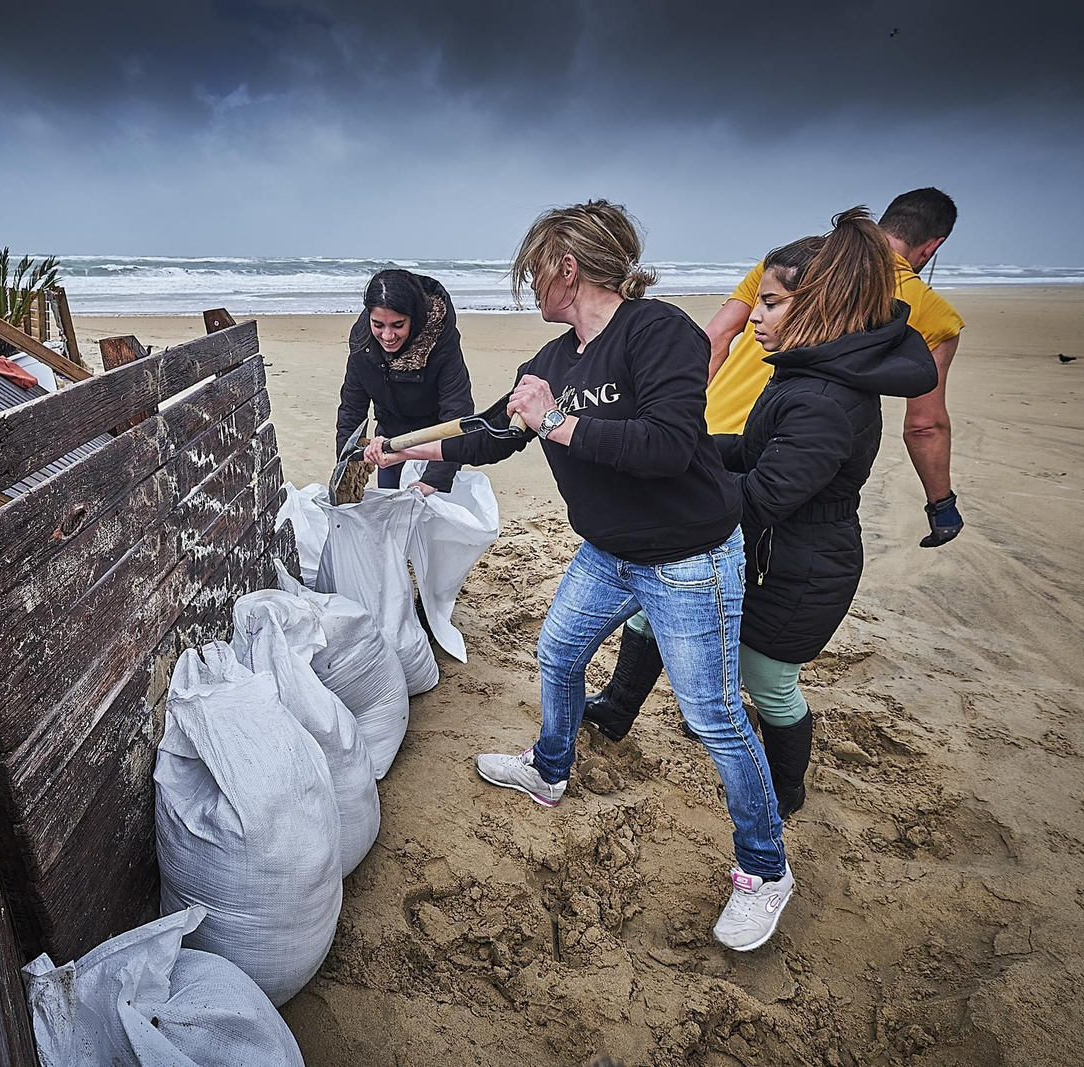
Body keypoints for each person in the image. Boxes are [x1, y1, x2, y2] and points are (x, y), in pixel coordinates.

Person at [366, 200, 793, 952]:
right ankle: (550, 768)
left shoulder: (656, 331)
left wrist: (553, 422)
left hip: (690, 557)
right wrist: (404, 452)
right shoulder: (555, 362)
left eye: (535, 268)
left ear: (566, 265)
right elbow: (492, 434)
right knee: (558, 653)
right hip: (609, 553)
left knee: (714, 716)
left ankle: (766, 866)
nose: (529, 285)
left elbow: (665, 444)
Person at [587, 210, 938, 821]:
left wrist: (678, 493)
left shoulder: (824, 399)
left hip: (803, 571)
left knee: (767, 681)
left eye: (770, 303)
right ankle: (617, 709)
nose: (754, 315)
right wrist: (684, 448)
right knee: (651, 606)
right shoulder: (809, 370)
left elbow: (764, 495)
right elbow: (750, 454)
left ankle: (784, 788)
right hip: (770, 553)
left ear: (818, 306)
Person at [704, 188, 964, 548]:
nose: (759, 315)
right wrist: (941, 502)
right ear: (931, 247)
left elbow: (715, 339)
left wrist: (679, 422)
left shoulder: (790, 266)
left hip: (716, 434)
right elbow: (924, 426)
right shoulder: (932, 312)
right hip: (795, 468)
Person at [336, 269, 474, 495]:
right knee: (390, 507)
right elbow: (352, 409)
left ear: (415, 317)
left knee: (432, 513)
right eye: (378, 325)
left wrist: (434, 479)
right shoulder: (363, 342)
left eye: (398, 325)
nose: (388, 336)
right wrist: (345, 468)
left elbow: (457, 410)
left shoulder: (442, 341)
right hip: (391, 436)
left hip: (436, 439)